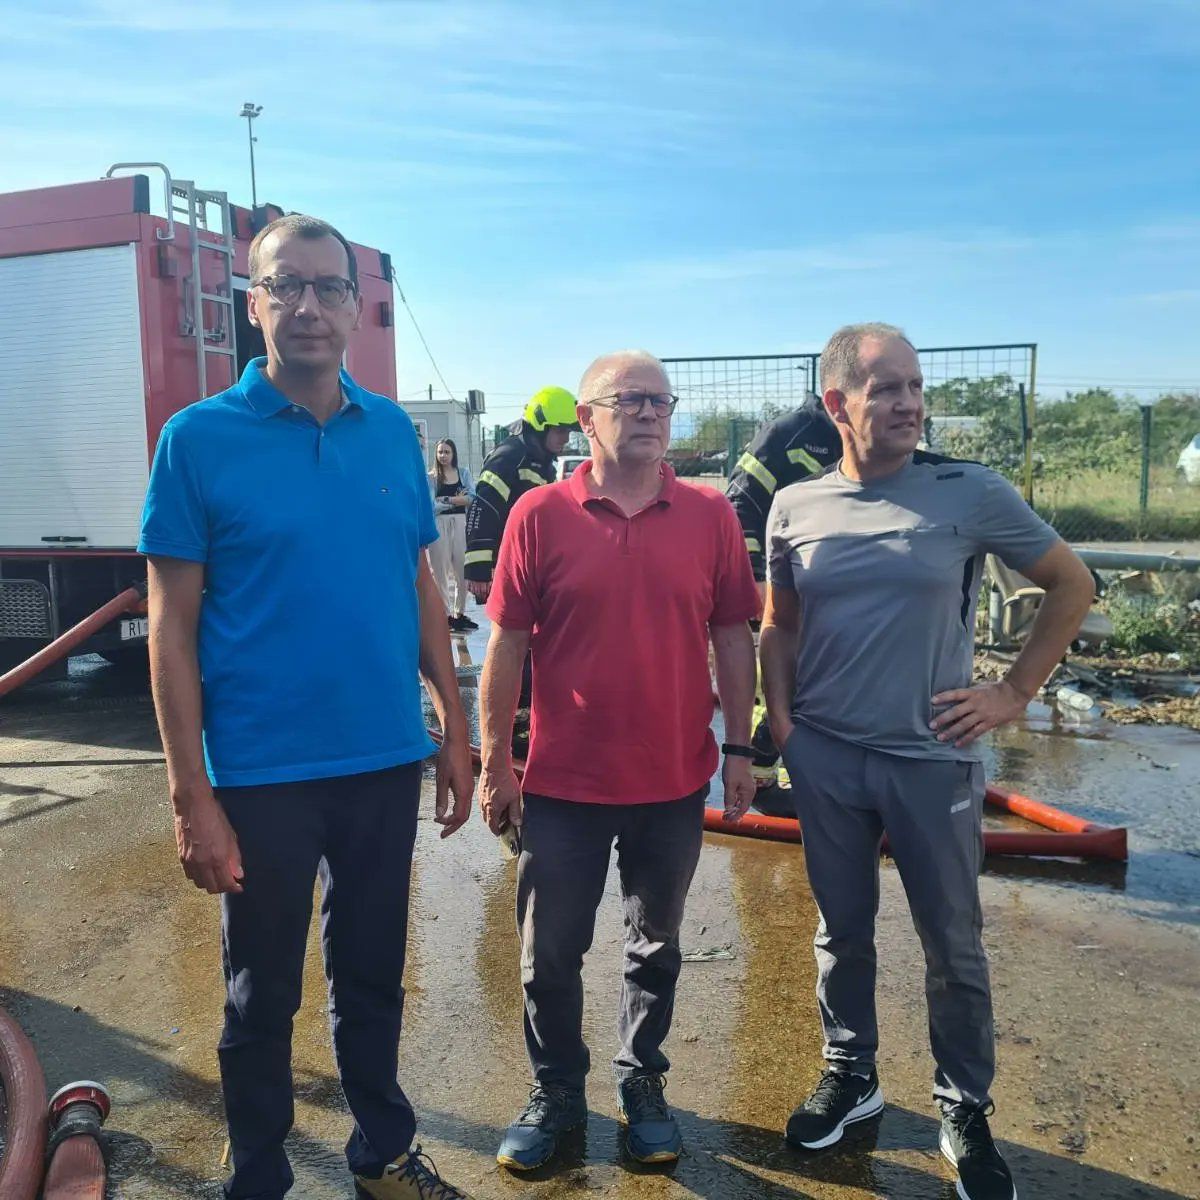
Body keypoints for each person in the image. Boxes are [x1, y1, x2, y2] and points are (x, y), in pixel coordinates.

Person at [139, 214, 477, 1200]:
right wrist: (190, 795)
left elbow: (417, 584)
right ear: (254, 305)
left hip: (382, 760)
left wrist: (453, 729)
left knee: (373, 977)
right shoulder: (198, 440)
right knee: (261, 996)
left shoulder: (391, 433)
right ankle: (259, 1176)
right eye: (286, 285)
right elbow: (169, 630)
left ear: (355, 308)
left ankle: (382, 1154)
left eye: (330, 287)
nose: (309, 307)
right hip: (261, 775)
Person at [760, 323, 1094, 1200]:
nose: (910, 404)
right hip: (829, 759)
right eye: (888, 389)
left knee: (952, 942)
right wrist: (784, 724)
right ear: (838, 404)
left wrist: (1014, 691)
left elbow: (1072, 584)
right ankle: (851, 1074)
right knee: (841, 932)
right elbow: (780, 624)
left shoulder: (967, 491)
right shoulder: (794, 506)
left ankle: (964, 1106)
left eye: (915, 386)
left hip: (930, 759)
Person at [478, 350, 760, 1172]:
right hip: (563, 782)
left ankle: (642, 1081)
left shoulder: (709, 515)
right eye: (630, 399)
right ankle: (558, 1090)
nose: (648, 413)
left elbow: (733, 633)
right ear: (587, 419)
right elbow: (507, 642)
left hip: (671, 781)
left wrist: (740, 748)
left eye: (660, 402)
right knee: (548, 955)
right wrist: (496, 761)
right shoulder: (539, 514)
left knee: (655, 945)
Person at [463, 386, 578, 602]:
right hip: (506, 563)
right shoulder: (509, 458)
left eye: (569, 431)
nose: (566, 438)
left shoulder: (541, 461)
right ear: (541, 426)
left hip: (529, 562)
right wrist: (478, 567)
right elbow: (484, 507)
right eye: (561, 430)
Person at [725, 392, 842, 588]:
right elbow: (741, 502)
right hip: (783, 580)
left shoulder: (880, 443)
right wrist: (754, 575)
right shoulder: (785, 433)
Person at [427, 438, 477, 632]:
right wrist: (457, 500)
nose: (443, 456)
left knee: (463, 571)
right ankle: (446, 615)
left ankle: (459, 613)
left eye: (447, 452)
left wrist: (446, 499)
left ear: (453, 453)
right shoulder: (431, 478)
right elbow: (432, 506)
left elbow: (472, 498)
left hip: (460, 524)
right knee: (440, 571)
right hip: (439, 525)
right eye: (440, 452)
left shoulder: (463, 474)